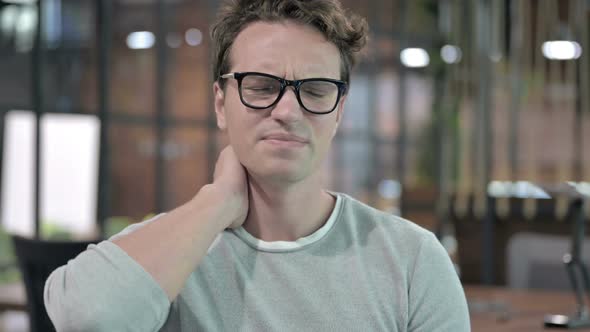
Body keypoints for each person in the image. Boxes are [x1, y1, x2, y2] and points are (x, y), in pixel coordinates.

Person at [44, 0, 470, 331]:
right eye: (262, 87)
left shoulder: (412, 259)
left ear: (339, 111)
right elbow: (86, 320)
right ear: (221, 104)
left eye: (316, 90)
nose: (287, 110)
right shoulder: (169, 254)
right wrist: (217, 202)